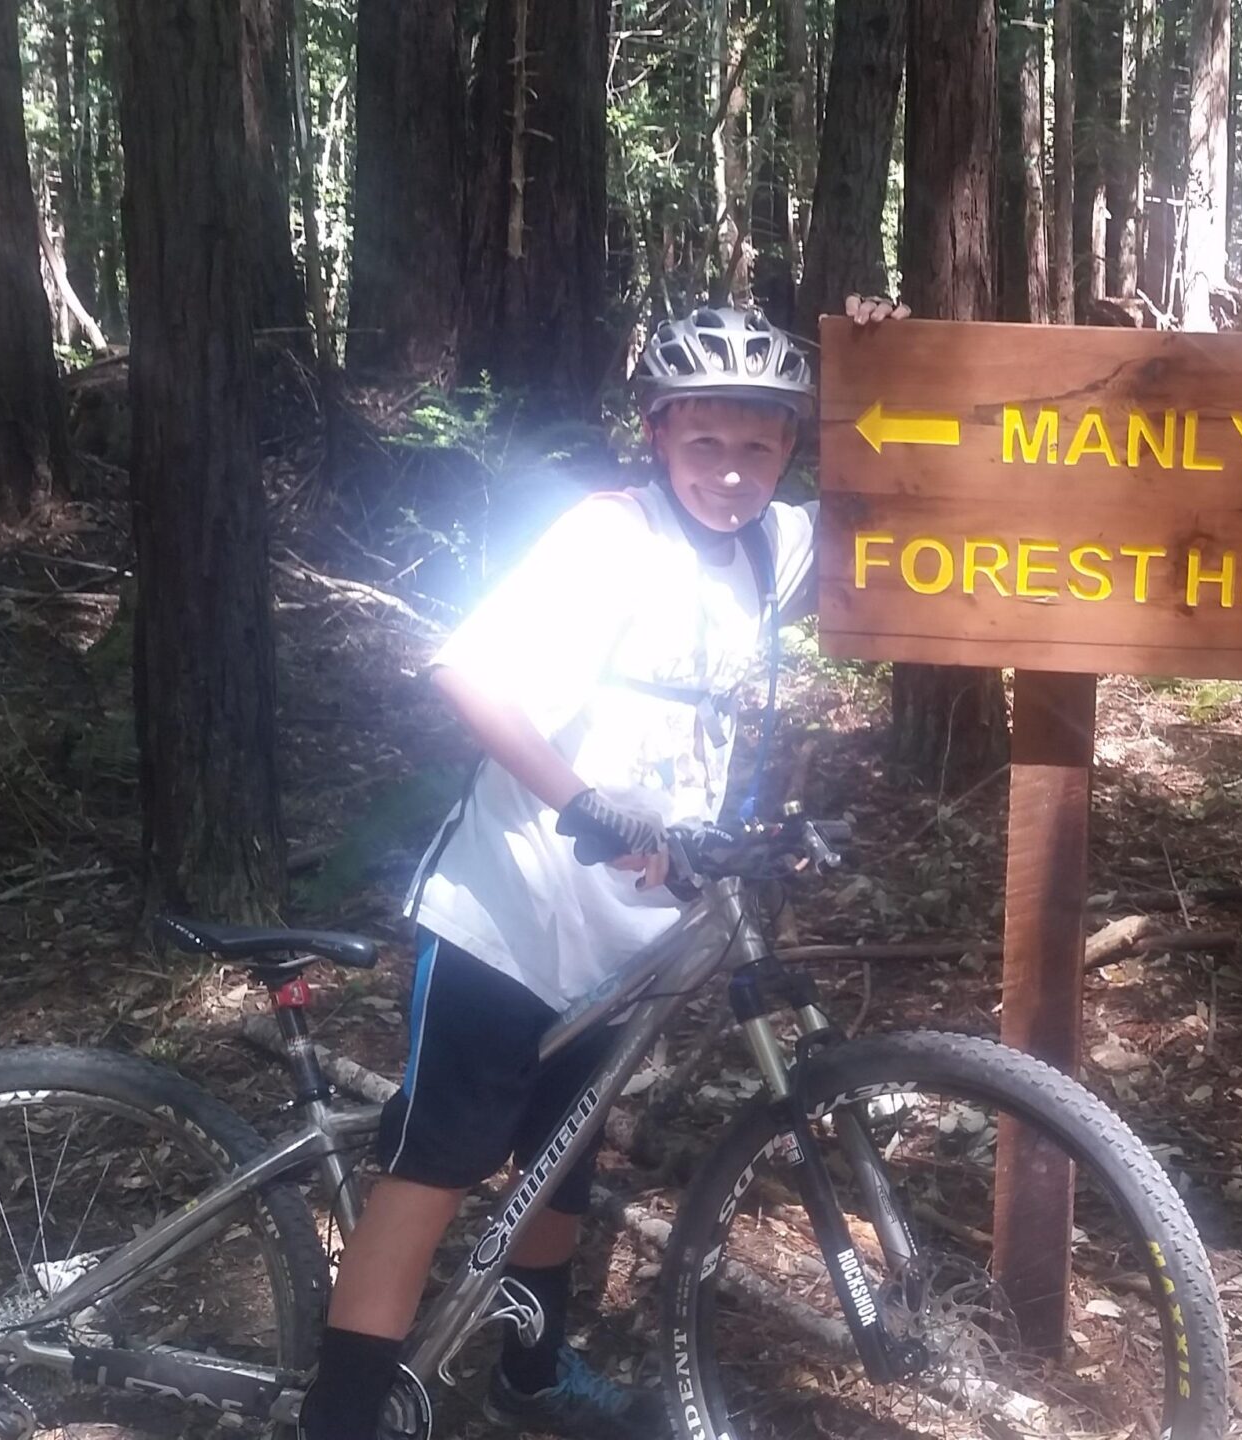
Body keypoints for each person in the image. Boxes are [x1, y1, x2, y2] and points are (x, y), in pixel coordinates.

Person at [299, 297, 907, 1440]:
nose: (732, 470)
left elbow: (895, 503)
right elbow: (471, 675)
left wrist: (884, 365)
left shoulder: (771, 547)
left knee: (559, 1166)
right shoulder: (608, 537)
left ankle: (528, 1377)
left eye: (761, 444)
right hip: (510, 915)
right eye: (706, 442)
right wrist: (585, 804)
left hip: (627, 949)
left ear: (789, 447)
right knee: (434, 1172)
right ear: (659, 433)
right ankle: (336, 1420)